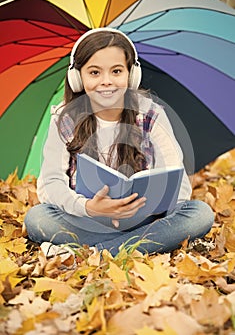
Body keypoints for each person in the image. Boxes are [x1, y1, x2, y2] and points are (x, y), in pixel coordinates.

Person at [24, 28, 214, 256]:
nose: (106, 82)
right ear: (77, 78)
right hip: (85, 220)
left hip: (144, 222)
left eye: (116, 71)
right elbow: (51, 183)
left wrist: (143, 213)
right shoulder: (65, 119)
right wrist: (88, 208)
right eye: (94, 73)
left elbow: (178, 181)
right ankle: (131, 247)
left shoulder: (151, 114)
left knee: (200, 214)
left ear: (131, 75)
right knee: (37, 218)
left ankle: (96, 253)